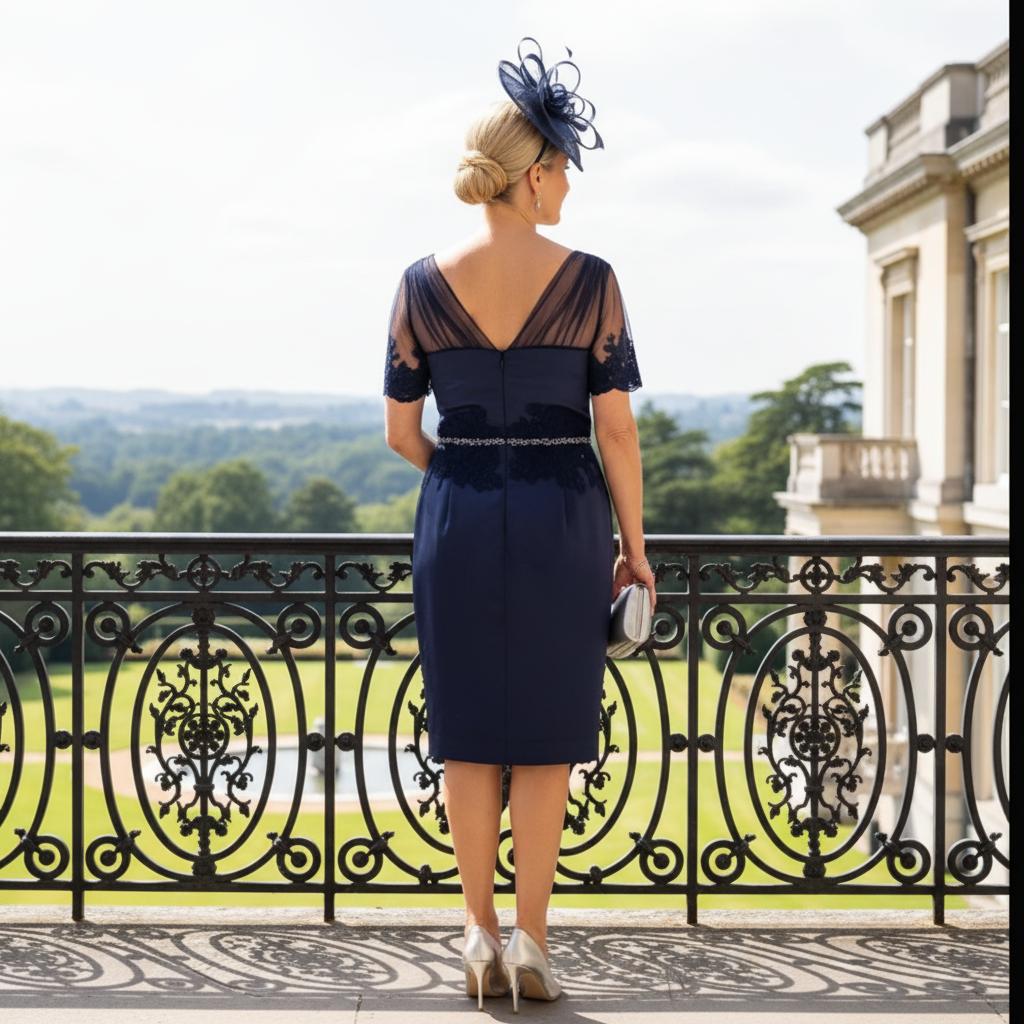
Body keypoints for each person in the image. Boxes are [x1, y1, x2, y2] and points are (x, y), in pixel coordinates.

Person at [382, 36, 654, 1013]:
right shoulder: (592, 282)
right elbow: (614, 432)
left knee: (465, 734)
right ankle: (533, 939)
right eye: (565, 168)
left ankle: (477, 934)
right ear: (535, 173)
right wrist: (634, 545)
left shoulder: (419, 283)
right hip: (562, 515)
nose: (571, 186)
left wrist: (460, 471)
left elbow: (399, 431)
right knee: (546, 735)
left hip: (456, 516)